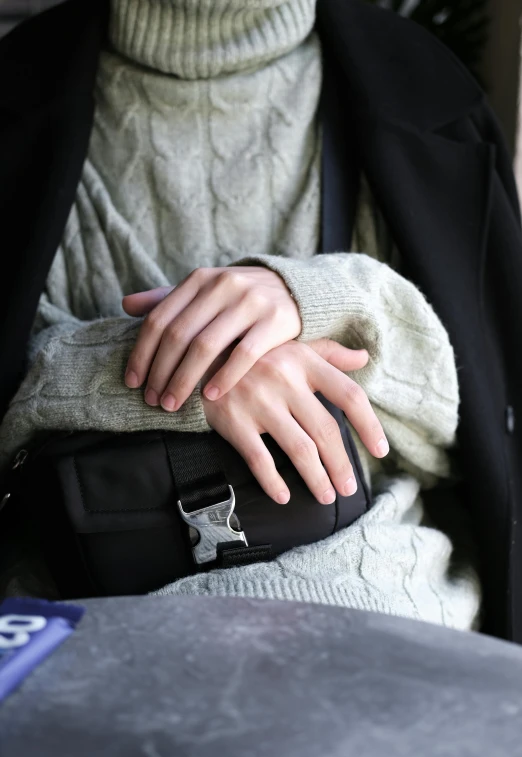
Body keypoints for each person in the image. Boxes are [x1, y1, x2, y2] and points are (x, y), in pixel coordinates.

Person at [6, 0, 520, 633]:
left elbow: (480, 440)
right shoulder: (15, 88)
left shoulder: (424, 89)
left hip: (378, 596)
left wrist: (332, 300)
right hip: (78, 613)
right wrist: (193, 365)